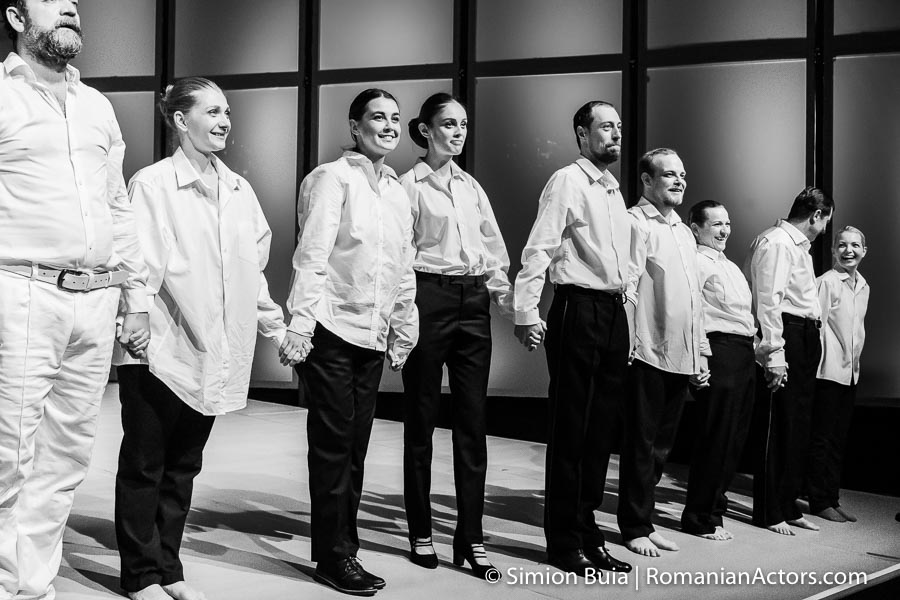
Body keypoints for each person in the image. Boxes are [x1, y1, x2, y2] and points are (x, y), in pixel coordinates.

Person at [112, 77, 296, 600]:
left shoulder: (239, 190)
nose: (224, 121)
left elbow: (251, 271)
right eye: (212, 111)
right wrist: (135, 315)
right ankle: (140, 575)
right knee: (145, 466)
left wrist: (276, 326)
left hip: (214, 351)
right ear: (180, 120)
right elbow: (138, 262)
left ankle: (168, 568)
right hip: (159, 347)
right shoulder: (153, 184)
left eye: (227, 112)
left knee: (183, 468)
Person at [0, 2, 150, 598]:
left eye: (75, 1)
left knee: (65, 457)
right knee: (9, 454)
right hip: (21, 290)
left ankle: (31, 586)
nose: (70, 7)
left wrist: (134, 292)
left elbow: (117, 205)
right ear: (17, 17)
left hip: (95, 298)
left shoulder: (96, 106)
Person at [282, 88, 418, 596]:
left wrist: (404, 327)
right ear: (355, 126)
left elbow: (403, 265)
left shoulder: (397, 191)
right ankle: (333, 555)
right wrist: (300, 324)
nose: (389, 126)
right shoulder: (331, 178)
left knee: (356, 448)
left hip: (372, 334)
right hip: (331, 328)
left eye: (395, 118)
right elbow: (312, 254)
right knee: (334, 446)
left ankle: (345, 548)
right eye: (377, 117)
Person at [513, 101, 633, 577]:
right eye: (605, 127)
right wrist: (526, 310)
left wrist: (627, 309)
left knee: (600, 433)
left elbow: (623, 261)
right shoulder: (567, 180)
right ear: (582, 134)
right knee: (571, 432)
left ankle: (589, 534)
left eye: (618, 127)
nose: (615, 134)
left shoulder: (613, 190)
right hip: (578, 308)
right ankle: (563, 541)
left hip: (612, 311)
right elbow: (540, 246)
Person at [399, 93, 510, 580]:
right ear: (425, 130)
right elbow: (400, 254)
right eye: (448, 124)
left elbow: (493, 249)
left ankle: (471, 536)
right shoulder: (408, 186)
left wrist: (511, 306)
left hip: (474, 301)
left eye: (463, 124)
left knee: (473, 423)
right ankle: (421, 531)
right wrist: (402, 318)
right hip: (429, 297)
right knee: (421, 421)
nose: (458, 132)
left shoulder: (471, 186)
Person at [617, 148, 710, 558]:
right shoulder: (635, 222)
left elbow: (695, 297)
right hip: (648, 350)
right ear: (647, 180)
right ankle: (634, 526)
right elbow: (628, 286)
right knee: (641, 444)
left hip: (680, 353)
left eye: (682, 175)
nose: (679, 181)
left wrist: (700, 352)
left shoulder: (684, 232)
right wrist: (630, 344)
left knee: (661, 447)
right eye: (670, 174)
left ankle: (645, 520)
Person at [745, 186, 833, 536]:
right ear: (816, 215)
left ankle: (787, 504)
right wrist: (774, 352)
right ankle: (770, 510)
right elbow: (768, 301)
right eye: (825, 222)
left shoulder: (797, 246)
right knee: (779, 424)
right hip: (787, 334)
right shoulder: (777, 242)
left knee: (797, 425)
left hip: (803, 334)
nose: (824, 230)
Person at [680, 201, 757, 541]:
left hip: (743, 351)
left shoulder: (729, 265)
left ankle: (714, 510)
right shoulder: (695, 262)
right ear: (696, 228)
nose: (724, 230)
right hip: (718, 350)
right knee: (716, 437)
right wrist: (698, 358)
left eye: (727, 223)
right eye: (716, 224)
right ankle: (699, 517)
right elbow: (693, 312)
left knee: (734, 438)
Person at [805, 226, 869, 523]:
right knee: (821, 439)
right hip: (827, 371)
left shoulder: (863, 286)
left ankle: (831, 497)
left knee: (838, 439)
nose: (848, 250)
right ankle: (818, 500)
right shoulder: (827, 282)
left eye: (854, 245)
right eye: (841, 245)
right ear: (833, 251)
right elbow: (816, 328)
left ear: (864, 251)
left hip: (850, 372)